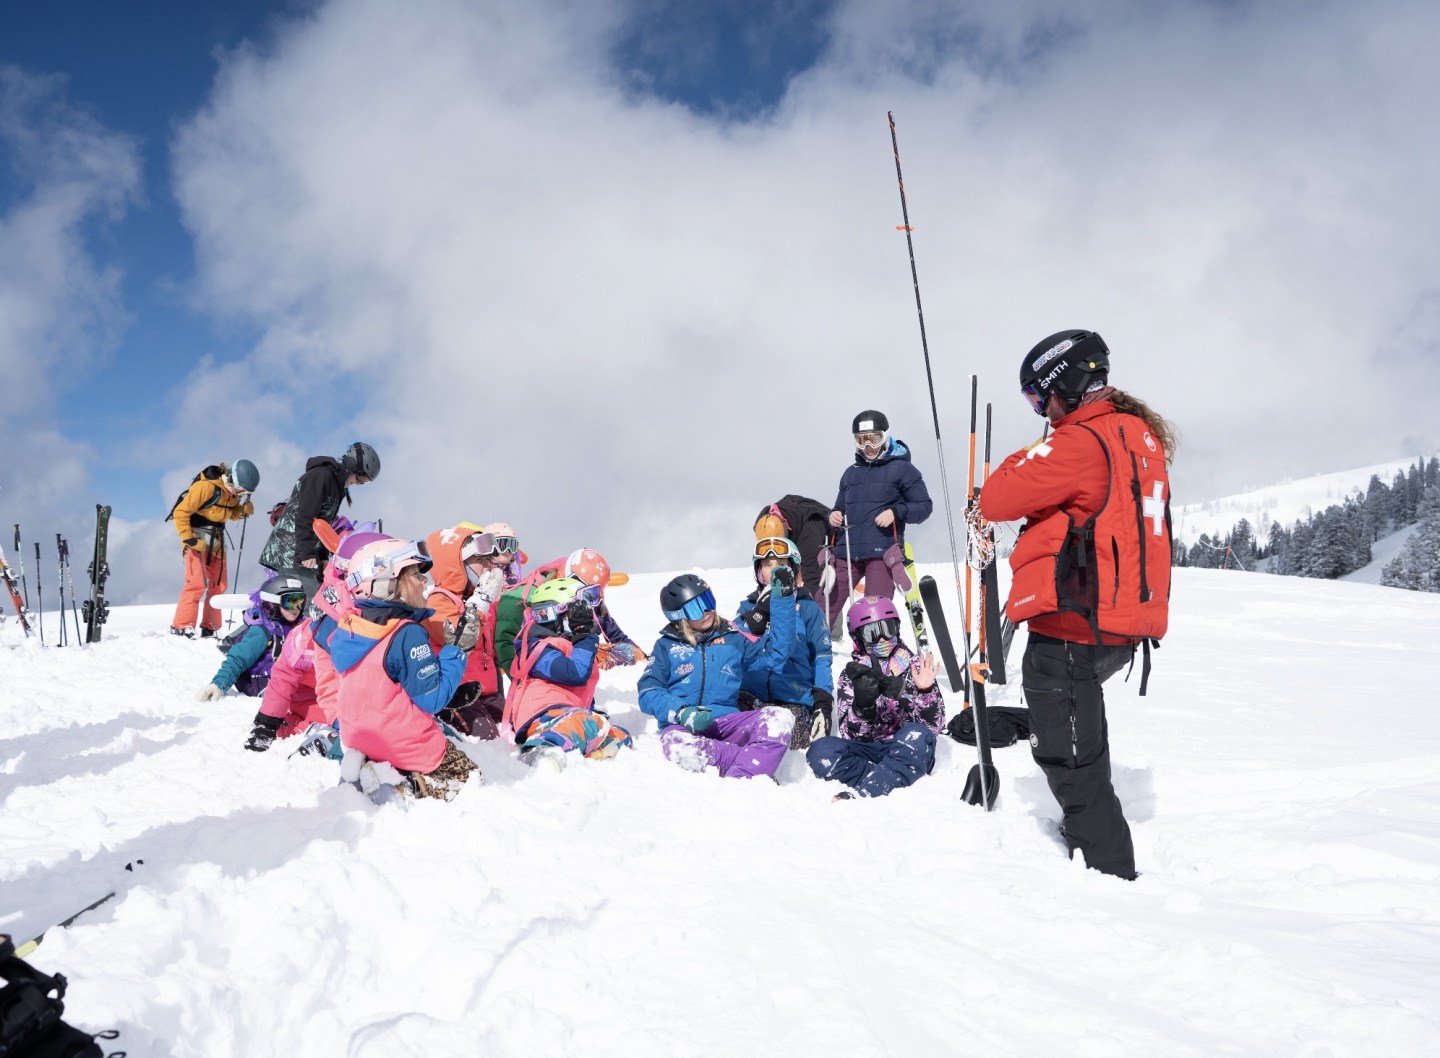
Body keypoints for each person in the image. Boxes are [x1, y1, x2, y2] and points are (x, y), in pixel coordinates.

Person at [980, 329, 1175, 880]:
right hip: (1118, 623)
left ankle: (1108, 872)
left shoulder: (1078, 443)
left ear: (1063, 384)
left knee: (1070, 758)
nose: (1042, 412)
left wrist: (1033, 452)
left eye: (1039, 399)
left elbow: (997, 497)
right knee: (1079, 733)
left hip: (1072, 623)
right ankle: (1093, 842)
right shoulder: (1139, 436)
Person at [331, 537, 480, 800]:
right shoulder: (406, 632)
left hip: (361, 739)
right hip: (405, 746)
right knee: (471, 779)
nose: (426, 582)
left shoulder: (350, 627)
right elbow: (432, 700)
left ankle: (369, 768)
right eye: (415, 575)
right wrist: (457, 652)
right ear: (386, 584)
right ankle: (405, 785)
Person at [639, 573, 797, 779]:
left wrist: (783, 602)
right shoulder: (666, 646)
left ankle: (739, 779)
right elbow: (648, 691)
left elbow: (776, 654)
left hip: (727, 723)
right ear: (678, 616)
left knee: (780, 718)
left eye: (708, 600)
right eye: (696, 607)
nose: (707, 611)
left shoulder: (733, 639)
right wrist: (681, 712)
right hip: (684, 727)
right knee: (678, 747)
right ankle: (751, 763)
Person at [806, 597, 945, 798]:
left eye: (887, 628)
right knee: (820, 750)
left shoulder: (916, 667)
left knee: (916, 735)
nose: (882, 639)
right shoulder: (852, 675)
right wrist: (863, 707)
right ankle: (886, 779)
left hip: (904, 747)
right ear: (858, 638)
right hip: (868, 751)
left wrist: (925, 691)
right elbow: (850, 736)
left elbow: (933, 728)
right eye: (872, 633)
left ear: (896, 628)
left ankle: (866, 792)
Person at [502, 577, 631, 769]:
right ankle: (542, 751)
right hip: (543, 717)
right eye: (578, 613)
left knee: (620, 736)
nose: (587, 618)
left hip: (565, 714)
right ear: (551, 615)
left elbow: (579, 691)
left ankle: (575, 752)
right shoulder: (537, 647)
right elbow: (574, 673)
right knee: (590, 722)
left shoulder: (571, 644)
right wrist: (585, 637)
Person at [822, 411, 933, 632]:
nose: (868, 446)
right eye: (860, 440)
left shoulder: (903, 469)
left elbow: (924, 507)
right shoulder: (850, 474)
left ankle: (879, 662)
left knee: (876, 616)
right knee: (822, 607)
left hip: (882, 555)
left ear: (885, 437)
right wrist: (833, 515)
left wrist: (896, 512)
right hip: (846, 555)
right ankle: (804, 657)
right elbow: (840, 508)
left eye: (874, 438)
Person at [734, 537, 833, 750]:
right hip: (750, 696)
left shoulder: (808, 609)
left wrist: (823, 702)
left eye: (781, 565)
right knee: (734, 739)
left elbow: (821, 658)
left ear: (793, 569)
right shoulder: (746, 608)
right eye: (768, 565)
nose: (774, 570)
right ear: (759, 571)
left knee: (786, 749)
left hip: (793, 698)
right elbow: (733, 648)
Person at [418, 524, 510, 739]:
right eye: (481, 561)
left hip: (487, 691)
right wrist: (481, 602)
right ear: (458, 565)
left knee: (511, 735)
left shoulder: (472, 599)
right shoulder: (439, 600)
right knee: (487, 743)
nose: (490, 567)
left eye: (490, 561)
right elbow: (457, 640)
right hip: (457, 694)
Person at [491, 548, 640, 676]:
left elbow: (611, 630)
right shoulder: (527, 597)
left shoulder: (585, 594)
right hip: (538, 667)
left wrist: (641, 658)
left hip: (571, 667)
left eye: (592, 593)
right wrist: (520, 684)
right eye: (587, 592)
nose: (587, 599)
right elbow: (506, 644)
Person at [260, 441, 380, 597]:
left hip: (304, 553)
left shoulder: (337, 486)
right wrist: (307, 553)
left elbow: (323, 525)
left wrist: (323, 557)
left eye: (365, 481)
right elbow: (304, 516)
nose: (359, 483)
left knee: (316, 602)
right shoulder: (321, 476)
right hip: (292, 552)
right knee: (307, 604)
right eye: (362, 477)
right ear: (352, 466)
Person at [169, 460, 258, 638]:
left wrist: (241, 512)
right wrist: (189, 539)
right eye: (241, 490)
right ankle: (182, 626)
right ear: (233, 479)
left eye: (245, 493)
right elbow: (180, 512)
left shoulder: (232, 494)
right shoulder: (206, 488)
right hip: (196, 538)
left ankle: (210, 626)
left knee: (219, 585)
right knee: (196, 583)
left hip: (216, 540)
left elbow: (227, 514)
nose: (240, 494)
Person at [195, 574, 307, 702]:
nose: (296, 608)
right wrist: (218, 684)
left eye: (300, 601)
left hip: (292, 679)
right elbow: (238, 659)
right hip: (265, 682)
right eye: (289, 602)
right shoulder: (263, 630)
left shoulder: (301, 626)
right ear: (272, 603)